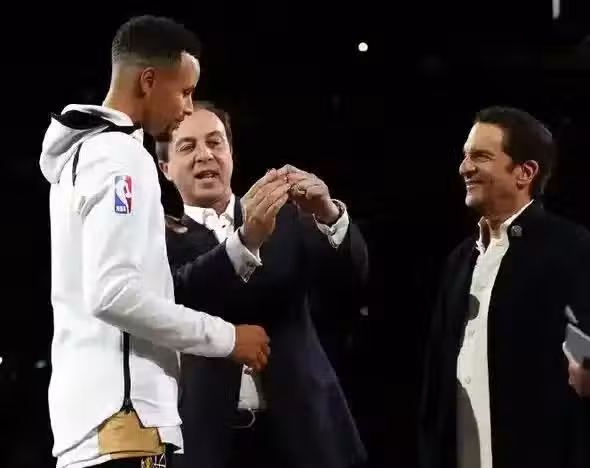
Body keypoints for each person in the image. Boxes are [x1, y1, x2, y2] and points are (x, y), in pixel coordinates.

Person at [39, 16, 274, 468]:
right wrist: (228, 338)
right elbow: (114, 294)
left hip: (98, 422)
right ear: (148, 81)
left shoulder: (84, 156)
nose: (187, 108)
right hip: (124, 423)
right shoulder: (120, 157)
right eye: (184, 91)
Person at [155, 101, 369, 468]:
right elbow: (182, 294)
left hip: (307, 436)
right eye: (188, 146)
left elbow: (350, 283)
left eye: (215, 142)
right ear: (165, 168)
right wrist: (246, 239)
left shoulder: (286, 219)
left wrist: (329, 215)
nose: (205, 155)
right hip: (206, 443)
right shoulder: (156, 240)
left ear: (231, 153)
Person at [418, 106, 590, 468]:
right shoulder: (459, 259)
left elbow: (582, 352)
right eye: (465, 156)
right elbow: (436, 380)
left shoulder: (572, 249)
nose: (464, 168)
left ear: (524, 172)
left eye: (481, 156)